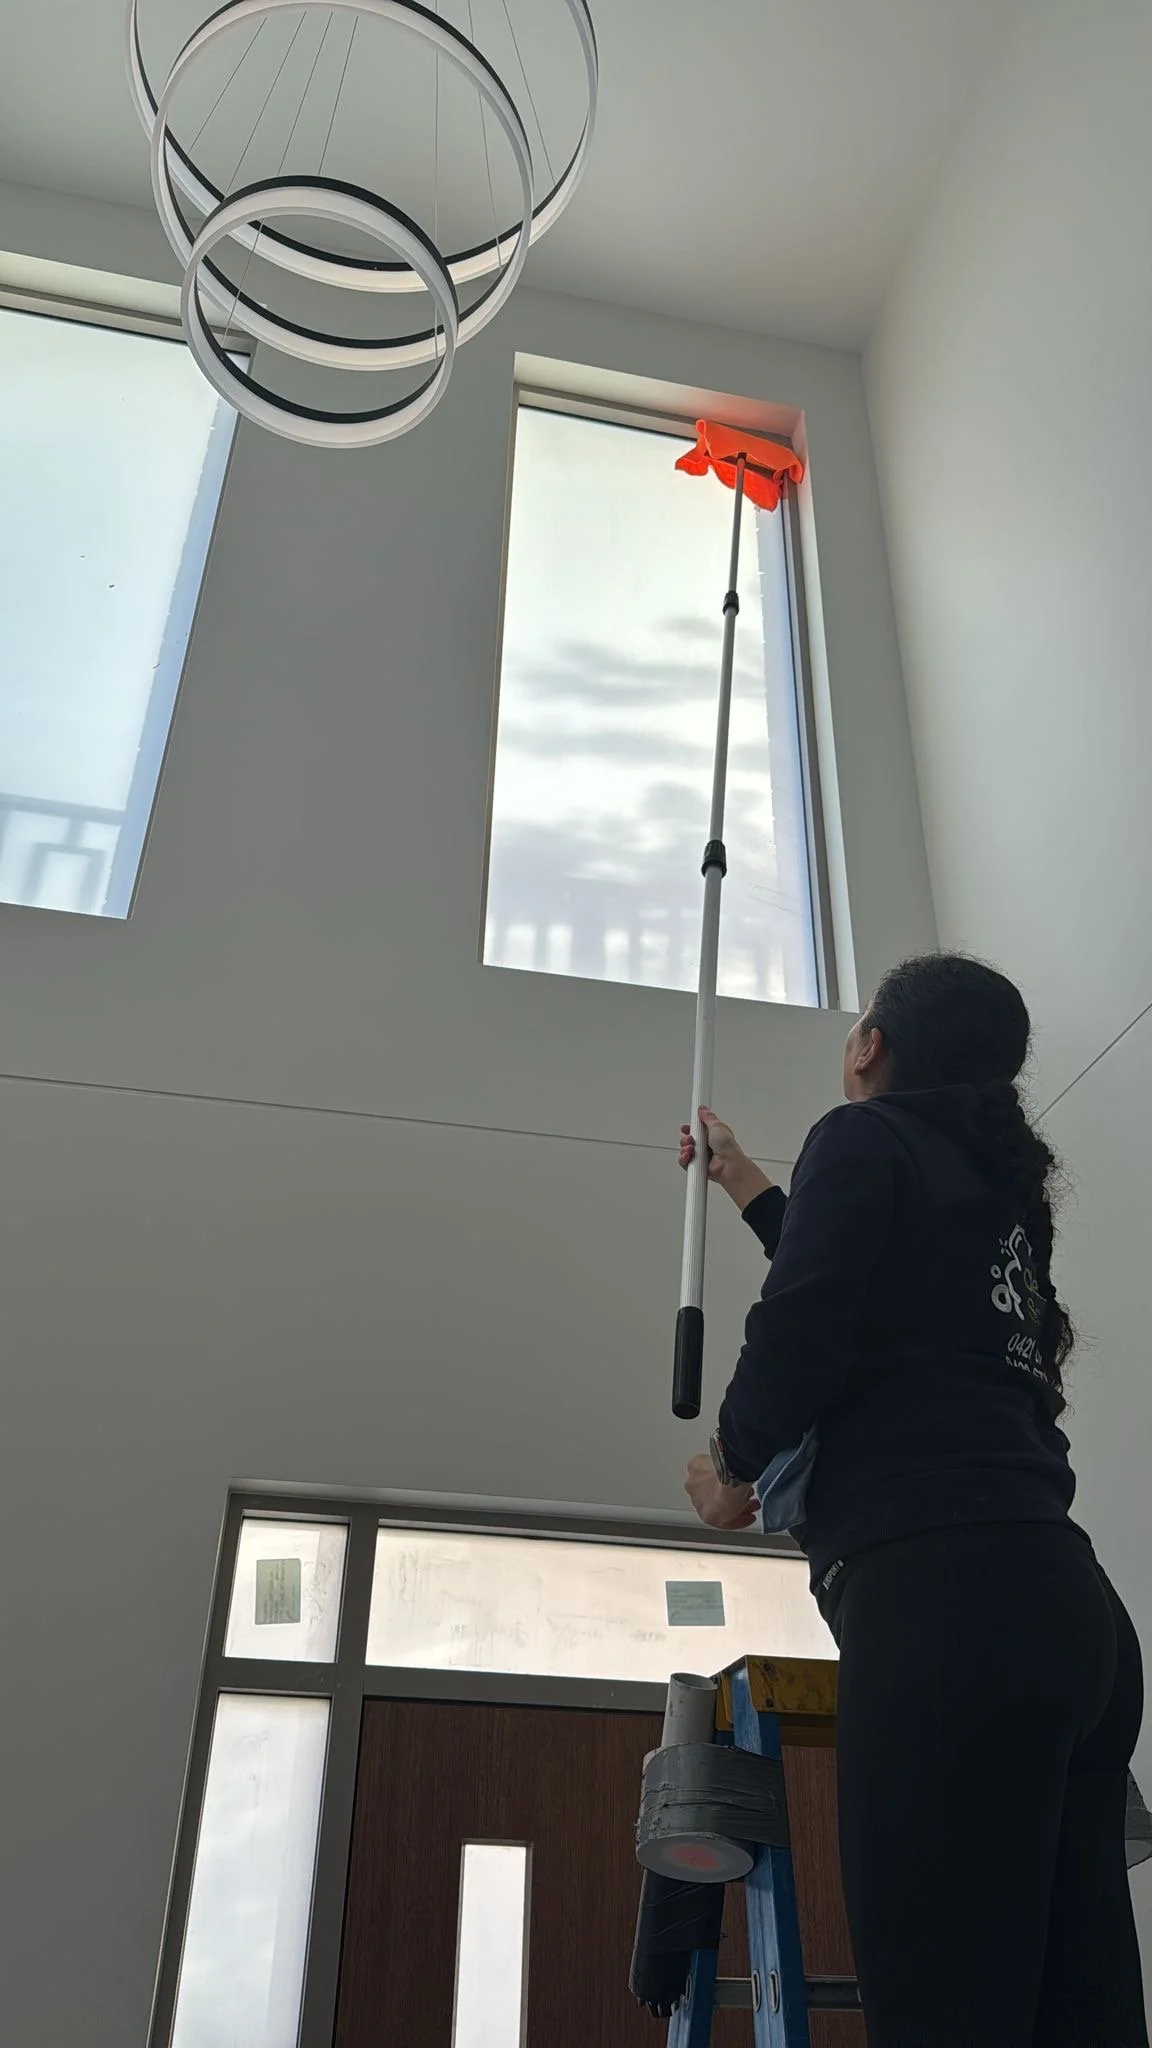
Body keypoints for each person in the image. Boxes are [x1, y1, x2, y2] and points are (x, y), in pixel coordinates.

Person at [679, 952, 1146, 2048]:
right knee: (1078, 2013)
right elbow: (861, 1265)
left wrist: (731, 1470)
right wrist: (745, 1175)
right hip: (1070, 1616)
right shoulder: (1002, 1194)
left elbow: (800, 1324)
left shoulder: (861, 1138)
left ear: (869, 1047)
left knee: (946, 2009)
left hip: (944, 1610)